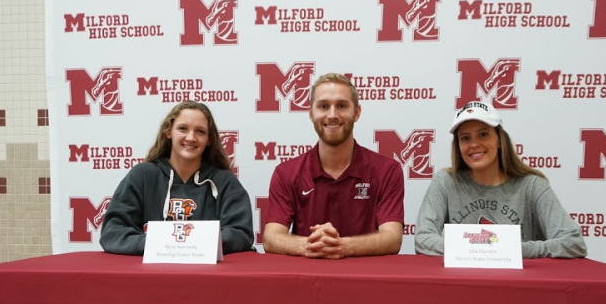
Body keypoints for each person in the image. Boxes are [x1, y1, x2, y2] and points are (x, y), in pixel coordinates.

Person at [415, 101, 587, 259]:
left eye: (483, 134)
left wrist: (513, 250)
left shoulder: (532, 184)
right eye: (465, 138)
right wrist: (484, 249)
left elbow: (573, 243)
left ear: (499, 139)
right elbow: (423, 239)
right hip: (463, 285)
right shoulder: (446, 181)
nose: (474, 144)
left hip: (518, 287)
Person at [263, 73, 405, 258]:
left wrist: (341, 246)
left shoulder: (387, 170)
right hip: (307, 283)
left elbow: (393, 238)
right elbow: (271, 237)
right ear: (311, 113)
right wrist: (310, 245)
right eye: (323, 106)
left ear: (357, 112)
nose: (332, 115)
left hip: (367, 282)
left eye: (341, 106)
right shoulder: (286, 173)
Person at [99, 101, 254, 255]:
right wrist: (160, 245)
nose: (191, 137)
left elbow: (241, 233)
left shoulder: (225, 182)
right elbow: (113, 232)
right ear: (168, 131)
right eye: (183, 129)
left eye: (200, 131)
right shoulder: (143, 175)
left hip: (206, 276)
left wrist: (188, 245)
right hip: (152, 276)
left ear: (209, 140)